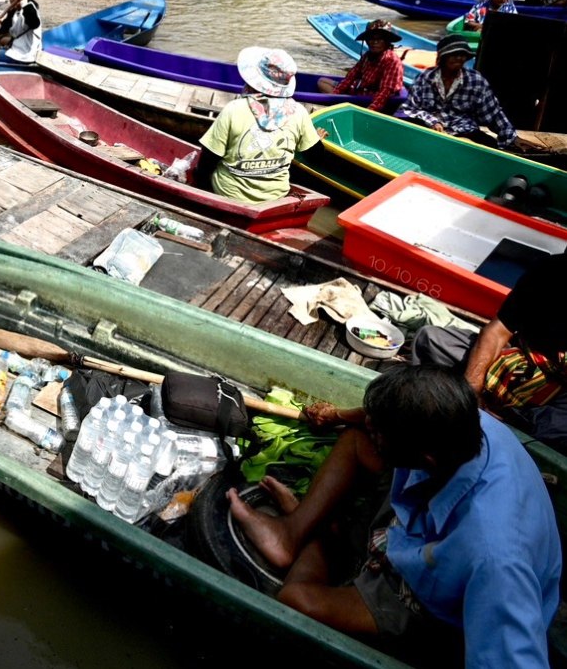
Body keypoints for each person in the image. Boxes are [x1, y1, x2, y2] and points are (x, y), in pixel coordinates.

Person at [227, 366, 560, 667]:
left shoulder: (495, 559)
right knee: (355, 441)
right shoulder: (465, 422)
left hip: (440, 600)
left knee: (297, 601)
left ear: (424, 457)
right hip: (431, 522)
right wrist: (336, 414)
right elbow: (374, 420)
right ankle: (292, 532)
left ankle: (322, 537)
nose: (373, 431)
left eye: (382, 433)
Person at [410, 251, 567, 450]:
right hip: (517, 361)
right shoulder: (548, 270)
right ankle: (480, 409)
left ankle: (513, 423)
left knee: (556, 428)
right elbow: (498, 331)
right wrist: (472, 389)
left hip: (559, 392)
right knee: (430, 340)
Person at [194, 47, 319, 204]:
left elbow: (208, 159)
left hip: (229, 195)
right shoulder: (299, 112)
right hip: (276, 198)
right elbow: (315, 155)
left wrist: (200, 188)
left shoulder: (234, 109)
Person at [395, 34, 516, 148]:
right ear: (443, 57)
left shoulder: (476, 81)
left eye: (462, 55)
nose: (458, 58)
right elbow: (409, 108)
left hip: (462, 130)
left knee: (492, 146)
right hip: (428, 128)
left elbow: (493, 113)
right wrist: (432, 121)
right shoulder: (425, 77)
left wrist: (512, 137)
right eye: (453, 54)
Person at [317, 20, 405, 111]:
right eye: (371, 39)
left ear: (386, 41)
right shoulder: (367, 56)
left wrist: (368, 112)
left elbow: (385, 93)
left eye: (379, 39)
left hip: (369, 100)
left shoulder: (392, 61)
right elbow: (350, 77)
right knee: (322, 81)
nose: (374, 42)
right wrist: (334, 96)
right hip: (357, 91)